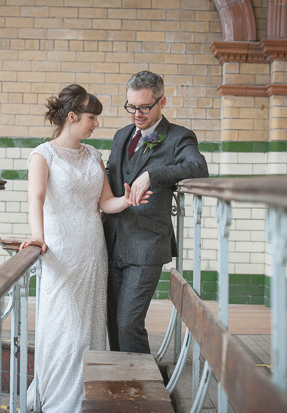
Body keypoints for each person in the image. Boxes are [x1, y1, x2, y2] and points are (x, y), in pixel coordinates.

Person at [20, 84, 151, 413]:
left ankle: (84, 399)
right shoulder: (42, 154)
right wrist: (38, 237)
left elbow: (106, 203)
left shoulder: (93, 154)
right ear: (72, 116)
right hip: (61, 252)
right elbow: (35, 199)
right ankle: (56, 402)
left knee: (90, 330)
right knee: (67, 331)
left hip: (93, 251)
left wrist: (129, 199)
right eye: (92, 117)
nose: (96, 123)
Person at [103, 71, 209, 354]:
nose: (136, 114)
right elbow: (112, 176)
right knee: (113, 321)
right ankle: (120, 382)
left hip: (146, 245)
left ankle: (140, 387)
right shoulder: (121, 135)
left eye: (144, 107)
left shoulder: (178, 137)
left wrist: (153, 173)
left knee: (128, 322)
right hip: (110, 239)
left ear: (162, 102)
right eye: (131, 106)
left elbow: (199, 168)